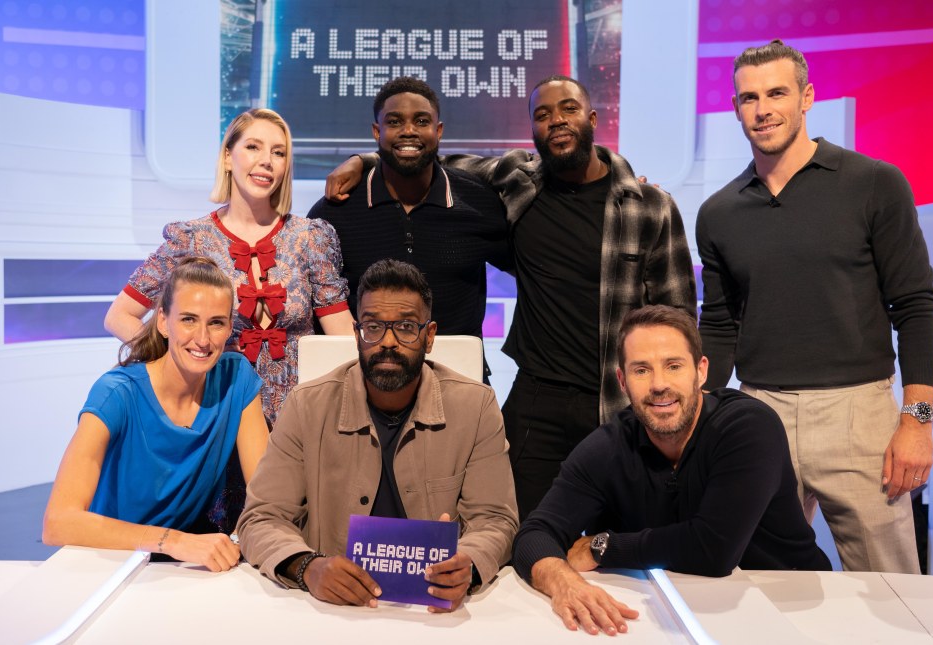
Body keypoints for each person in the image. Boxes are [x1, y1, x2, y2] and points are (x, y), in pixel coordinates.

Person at [325, 75, 697, 520]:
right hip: (534, 400)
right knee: (521, 536)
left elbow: (678, 323)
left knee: (629, 543)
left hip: (615, 403)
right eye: (543, 115)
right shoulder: (519, 182)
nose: (556, 121)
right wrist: (364, 160)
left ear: (593, 119)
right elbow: (421, 156)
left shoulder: (650, 205)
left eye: (569, 110)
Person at [696, 40, 933, 573]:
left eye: (777, 93)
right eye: (748, 98)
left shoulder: (874, 183)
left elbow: (916, 307)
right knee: (761, 589)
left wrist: (917, 422)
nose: (762, 110)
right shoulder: (718, 213)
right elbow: (718, 324)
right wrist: (703, 421)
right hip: (758, 409)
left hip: (859, 413)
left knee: (891, 591)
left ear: (807, 97)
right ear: (736, 107)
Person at [511, 305, 831, 636]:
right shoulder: (608, 445)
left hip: (789, 603)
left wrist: (602, 547)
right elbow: (534, 535)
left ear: (701, 370)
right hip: (669, 613)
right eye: (641, 370)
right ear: (622, 381)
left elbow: (713, 549)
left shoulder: (747, 426)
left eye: (673, 366)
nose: (659, 384)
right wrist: (563, 582)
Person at [237, 259, 518, 611]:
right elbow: (261, 518)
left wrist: (469, 564)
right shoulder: (306, 406)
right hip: (331, 611)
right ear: (356, 334)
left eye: (405, 327)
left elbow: (496, 519)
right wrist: (308, 567)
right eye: (373, 327)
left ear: (429, 337)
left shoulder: (475, 407)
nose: (387, 342)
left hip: (434, 613)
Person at [104, 108, 353, 427]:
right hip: (216, 416)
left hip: (301, 421)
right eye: (253, 147)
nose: (267, 160)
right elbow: (119, 316)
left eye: (278, 152)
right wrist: (179, 358)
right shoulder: (192, 240)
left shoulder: (309, 239)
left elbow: (343, 338)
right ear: (226, 157)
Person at [43, 257, 270, 571]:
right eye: (188, 319)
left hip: (180, 569)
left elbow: (266, 495)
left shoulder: (237, 379)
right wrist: (173, 541)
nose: (202, 340)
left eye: (216, 322)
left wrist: (236, 540)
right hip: (107, 562)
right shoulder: (117, 393)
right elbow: (58, 522)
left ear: (230, 327)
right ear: (163, 321)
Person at [307, 77, 511, 369]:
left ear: (438, 131)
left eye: (421, 121)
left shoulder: (479, 202)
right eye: (394, 122)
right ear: (377, 132)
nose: (409, 131)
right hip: (367, 383)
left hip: (459, 379)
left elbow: (530, 273)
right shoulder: (334, 211)